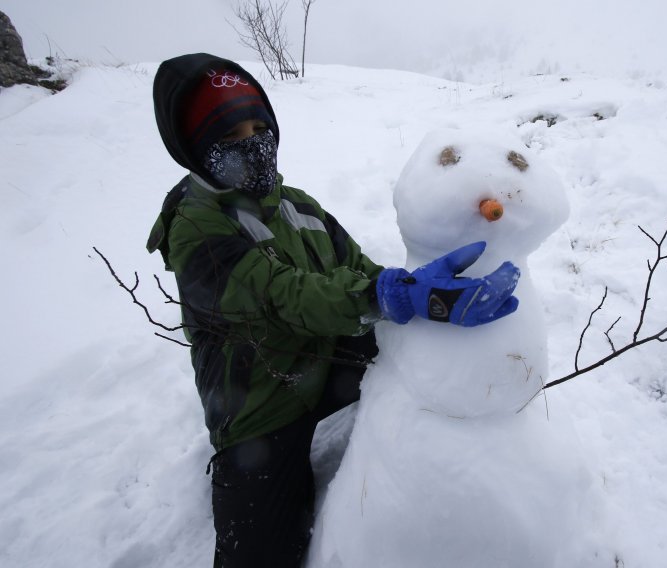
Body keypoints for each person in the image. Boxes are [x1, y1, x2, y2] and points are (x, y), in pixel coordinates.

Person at [147, 53, 521, 567]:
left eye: (260, 127)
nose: (253, 144)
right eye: (230, 137)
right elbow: (285, 295)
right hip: (258, 405)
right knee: (260, 556)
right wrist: (389, 298)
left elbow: (362, 274)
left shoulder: (297, 205)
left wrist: (427, 295)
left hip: (321, 362)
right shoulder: (196, 228)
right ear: (196, 149)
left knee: (411, 346)